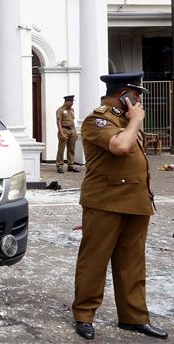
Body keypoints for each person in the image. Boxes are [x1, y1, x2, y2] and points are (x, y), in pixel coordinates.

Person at [72, 72, 167, 340]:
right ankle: (84, 315)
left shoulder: (124, 120)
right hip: (105, 202)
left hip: (135, 201)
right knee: (94, 261)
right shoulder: (98, 119)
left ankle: (133, 317)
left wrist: (131, 121)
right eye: (136, 96)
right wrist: (135, 121)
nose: (139, 103)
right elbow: (120, 147)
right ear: (124, 94)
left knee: (132, 264)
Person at [55, 95, 81, 173]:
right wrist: (61, 133)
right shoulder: (60, 110)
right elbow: (58, 122)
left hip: (72, 131)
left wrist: (75, 132)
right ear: (66, 101)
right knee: (61, 149)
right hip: (64, 130)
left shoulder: (72, 110)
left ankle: (70, 165)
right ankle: (59, 166)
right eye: (71, 101)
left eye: (73, 101)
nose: (72, 103)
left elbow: (72, 122)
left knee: (71, 149)